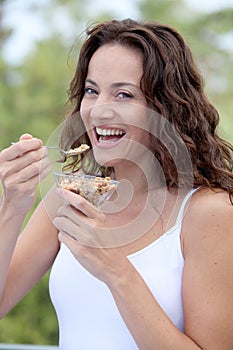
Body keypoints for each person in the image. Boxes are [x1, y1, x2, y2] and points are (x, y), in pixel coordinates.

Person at [0, 18, 232, 350]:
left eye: (123, 94)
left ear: (164, 108)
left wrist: (115, 269)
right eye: (92, 91)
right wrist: (12, 206)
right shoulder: (69, 197)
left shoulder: (209, 212)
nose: (99, 110)